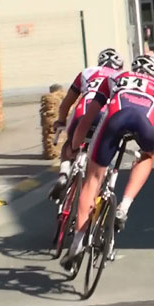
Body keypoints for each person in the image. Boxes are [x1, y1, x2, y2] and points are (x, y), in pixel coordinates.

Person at [61, 54, 154, 270]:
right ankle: (124, 206)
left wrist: (73, 148)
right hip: (146, 122)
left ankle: (77, 242)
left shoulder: (115, 78)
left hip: (116, 117)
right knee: (148, 155)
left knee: (92, 180)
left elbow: (88, 118)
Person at [48, 48, 124, 201]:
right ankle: (99, 191)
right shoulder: (121, 77)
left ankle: (64, 174)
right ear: (119, 66)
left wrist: (61, 120)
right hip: (106, 115)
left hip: (83, 112)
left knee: (70, 145)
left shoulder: (86, 72)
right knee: (103, 151)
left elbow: (65, 104)